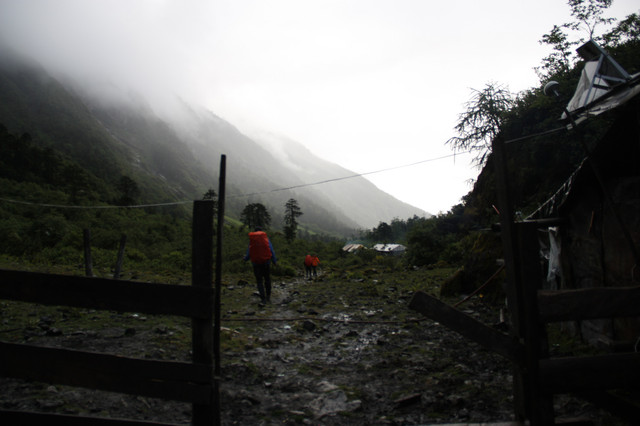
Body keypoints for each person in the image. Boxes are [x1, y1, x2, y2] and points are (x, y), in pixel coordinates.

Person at [243, 227, 277, 305]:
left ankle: (263, 299)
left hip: (256, 264)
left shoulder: (252, 240)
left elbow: (249, 252)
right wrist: (274, 261)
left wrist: (245, 259)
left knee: (259, 281)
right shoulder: (266, 239)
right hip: (266, 263)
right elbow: (271, 251)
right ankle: (268, 296)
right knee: (267, 279)